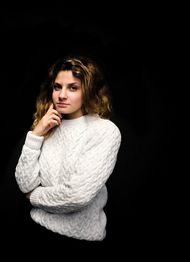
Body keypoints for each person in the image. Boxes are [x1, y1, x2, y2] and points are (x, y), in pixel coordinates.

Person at [14, 54, 121, 244]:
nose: (62, 95)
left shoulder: (105, 131)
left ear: (88, 91)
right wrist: (36, 134)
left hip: (80, 240)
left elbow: (77, 195)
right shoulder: (47, 126)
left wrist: (34, 197)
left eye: (73, 88)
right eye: (57, 87)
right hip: (34, 228)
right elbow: (25, 184)